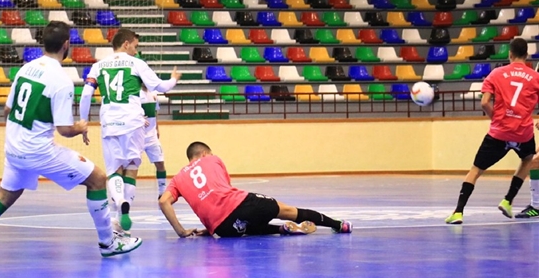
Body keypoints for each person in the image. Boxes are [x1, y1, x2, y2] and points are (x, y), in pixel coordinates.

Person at [0, 22, 142, 260]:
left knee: (5, 196)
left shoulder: (26, 69)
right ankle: (108, 243)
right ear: (66, 45)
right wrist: (80, 126)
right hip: (39, 151)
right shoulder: (61, 80)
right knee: (98, 179)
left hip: (14, 148)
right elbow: (64, 130)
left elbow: (7, 109)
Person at [79, 29, 181, 233]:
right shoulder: (136, 63)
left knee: (113, 170)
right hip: (134, 122)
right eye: (135, 46)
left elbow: (86, 94)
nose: (136, 51)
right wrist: (174, 78)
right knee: (131, 169)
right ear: (125, 44)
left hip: (110, 122)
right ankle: (122, 215)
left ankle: (119, 201)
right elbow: (161, 87)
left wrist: (83, 121)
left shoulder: (98, 66)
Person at [159, 142, 353, 238]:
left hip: (221, 229)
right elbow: (227, 189)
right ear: (203, 153)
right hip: (239, 205)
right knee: (287, 211)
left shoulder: (177, 179)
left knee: (245, 226)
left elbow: (163, 201)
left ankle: (281, 229)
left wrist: (182, 231)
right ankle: (338, 224)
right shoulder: (212, 159)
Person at [446, 38, 539, 224]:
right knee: (528, 159)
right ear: (527, 55)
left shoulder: (496, 74)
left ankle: (458, 212)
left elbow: (484, 102)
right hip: (523, 132)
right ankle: (507, 200)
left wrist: (495, 118)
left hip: (499, 132)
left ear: (510, 55)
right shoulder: (535, 77)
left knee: (476, 170)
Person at [140, 84, 167, 198]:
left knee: (160, 163)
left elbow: (155, 112)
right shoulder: (134, 93)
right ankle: (121, 193)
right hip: (137, 135)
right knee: (128, 165)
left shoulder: (153, 93)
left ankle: (162, 192)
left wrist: (157, 128)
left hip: (151, 136)